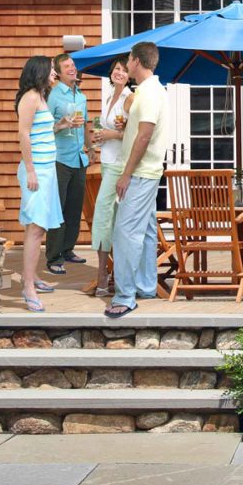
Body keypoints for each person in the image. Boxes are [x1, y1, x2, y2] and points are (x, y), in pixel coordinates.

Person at [105, 41, 168, 318]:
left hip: (140, 173)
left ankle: (125, 296)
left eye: (129, 59)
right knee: (146, 230)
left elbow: (144, 136)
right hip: (147, 172)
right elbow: (138, 131)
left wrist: (126, 173)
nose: (126, 64)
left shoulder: (150, 93)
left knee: (125, 233)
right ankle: (145, 286)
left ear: (136, 61)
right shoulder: (147, 91)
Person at [15, 55, 63, 312]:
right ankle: (28, 288)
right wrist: (31, 170)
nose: (54, 73)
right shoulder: (30, 97)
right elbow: (23, 134)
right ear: (40, 71)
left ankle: (31, 276)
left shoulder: (42, 96)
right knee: (36, 228)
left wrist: (59, 126)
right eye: (52, 69)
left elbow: (40, 132)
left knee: (37, 227)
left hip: (47, 170)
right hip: (36, 172)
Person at [45, 53, 91, 276]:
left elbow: (85, 124)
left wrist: (91, 148)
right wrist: (61, 125)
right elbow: (44, 128)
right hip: (60, 159)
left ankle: (68, 249)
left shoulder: (81, 96)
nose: (72, 68)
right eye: (67, 66)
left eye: (73, 65)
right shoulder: (53, 96)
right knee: (58, 209)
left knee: (74, 208)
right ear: (59, 72)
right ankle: (54, 257)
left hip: (79, 159)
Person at [90, 57, 133, 296]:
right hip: (106, 162)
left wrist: (112, 134)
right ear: (111, 72)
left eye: (124, 70)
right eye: (117, 69)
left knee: (102, 215)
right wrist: (99, 137)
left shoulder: (129, 98)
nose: (120, 73)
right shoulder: (108, 97)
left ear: (129, 76)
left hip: (119, 164)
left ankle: (102, 275)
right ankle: (114, 274)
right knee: (112, 218)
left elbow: (134, 133)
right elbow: (104, 129)